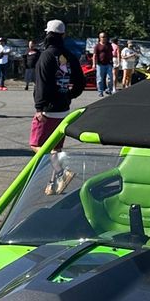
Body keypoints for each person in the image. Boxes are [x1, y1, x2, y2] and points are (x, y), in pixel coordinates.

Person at [31, 21, 85, 186]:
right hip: (63, 108)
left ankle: (63, 171)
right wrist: (69, 95)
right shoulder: (69, 55)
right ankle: (55, 182)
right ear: (62, 35)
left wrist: (39, 107)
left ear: (48, 35)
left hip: (48, 110)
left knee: (36, 144)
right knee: (56, 148)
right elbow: (80, 81)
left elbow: (42, 83)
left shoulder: (46, 56)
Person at [93, 31, 114, 96]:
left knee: (110, 78)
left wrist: (112, 61)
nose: (104, 38)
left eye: (105, 37)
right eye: (103, 37)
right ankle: (100, 92)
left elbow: (111, 53)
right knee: (100, 79)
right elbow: (94, 55)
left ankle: (108, 90)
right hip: (100, 64)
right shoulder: (97, 46)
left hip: (108, 64)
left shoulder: (109, 45)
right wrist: (94, 64)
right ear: (100, 38)